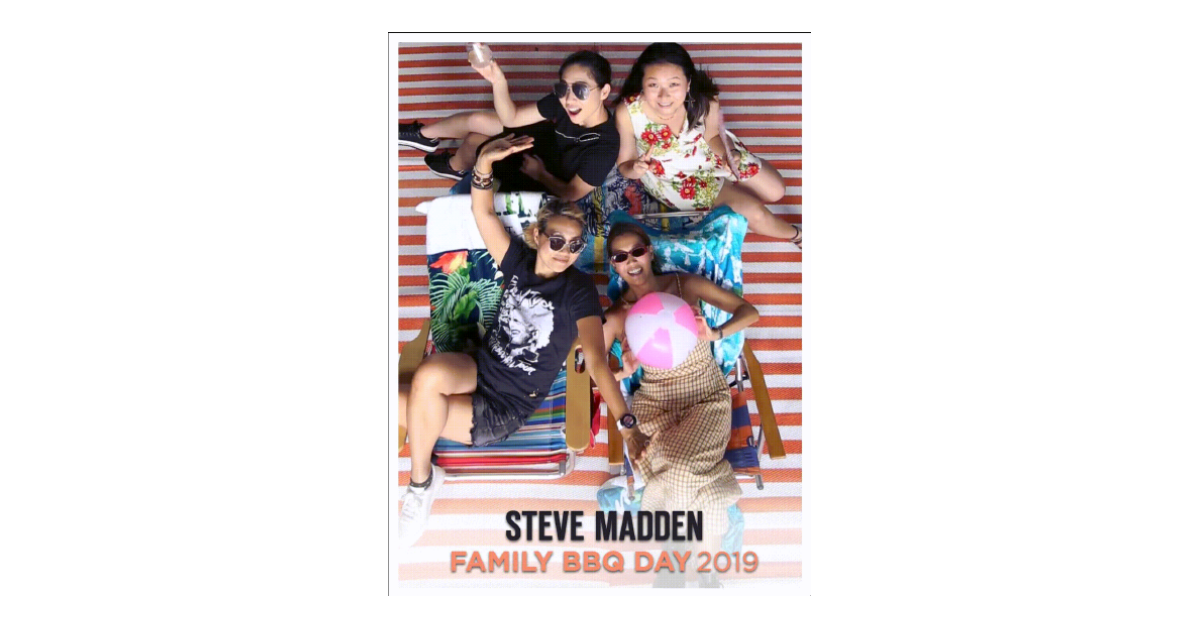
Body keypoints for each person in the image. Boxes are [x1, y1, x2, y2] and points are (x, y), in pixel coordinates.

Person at [397, 135, 635, 547]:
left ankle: (420, 485)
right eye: (556, 240)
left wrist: (627, 424)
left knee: (411, 399)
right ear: (539, 236)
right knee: (429, 375)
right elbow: (482, 211)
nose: (565, 252)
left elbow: (596, 361)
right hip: (479, 368)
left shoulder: (578, 290)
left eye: (575, 245)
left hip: (504, 408)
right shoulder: (519, 262)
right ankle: (425, 477)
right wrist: (484, 163)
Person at [602, 220, 760, 586]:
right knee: (696, 480)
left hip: (704, 395)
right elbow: (591, 371)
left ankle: (673, 560)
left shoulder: (684, 285)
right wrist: (622, 372)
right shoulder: (618, 314)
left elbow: (748, 312)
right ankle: (707, 572)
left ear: (649, 252)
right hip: (654, 403)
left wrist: (715, 333)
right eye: (620, 257)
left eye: (636, 251)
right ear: (614, 265)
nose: (631, 261)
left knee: (676, 470)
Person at [613, 43, 802, 249]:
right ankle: (797, 235)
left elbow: (712, 136)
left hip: (710, 155)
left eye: (673, 84)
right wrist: (636, 168)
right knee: (756, 214)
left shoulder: (705, 98)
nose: (664, 96)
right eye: (653, 85)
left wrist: (729, 155)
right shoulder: (628, 112)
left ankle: (730, 193)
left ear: (688, 83)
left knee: (776, 191)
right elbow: (625, 164)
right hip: (679, 180)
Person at [397, 50, 620, 202]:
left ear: (604, 92)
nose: (569, 99)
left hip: (546, 176)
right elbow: (511, 118)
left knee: (476, 142)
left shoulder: (606, 147)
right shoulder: (562, 101)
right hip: (544, 143)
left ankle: (456, 166)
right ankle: (424, 137)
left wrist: (541, 174)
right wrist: (498, 81)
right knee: (477, 121)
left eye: (581, 90)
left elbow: (571, 193)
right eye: (563, 88)